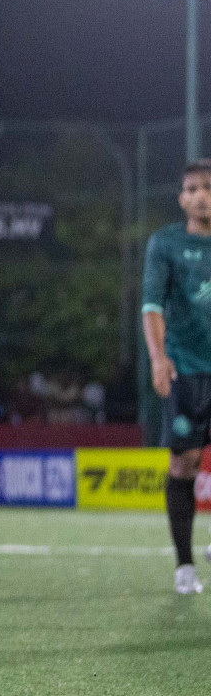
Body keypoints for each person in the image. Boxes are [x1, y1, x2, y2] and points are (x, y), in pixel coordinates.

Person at [143, 158, 211, 595]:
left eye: (208, 186)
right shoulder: (165, 243)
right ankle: (185, 565)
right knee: (184, 463)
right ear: (182, 198)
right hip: (187, 368)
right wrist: (157, 358)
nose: (201, 194)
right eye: (192, 188)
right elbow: (152, 305)